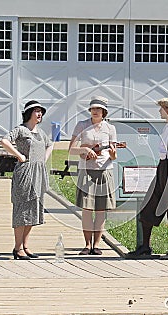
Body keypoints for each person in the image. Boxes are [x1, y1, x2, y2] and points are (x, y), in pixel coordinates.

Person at [127, 97, 168, 259]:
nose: (159, 111)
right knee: (149, 204)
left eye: (161, 108)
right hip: (163, 167)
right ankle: (145, 246)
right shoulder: (167, 128)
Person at [1, 100, 53, 260]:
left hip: (38, 173)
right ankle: (17, 248)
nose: (39, 114)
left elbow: (50, 144)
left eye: (41, 111)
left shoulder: (41, 132)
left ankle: (25, 245)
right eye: (36, 111)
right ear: (29, 113)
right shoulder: (21, 130)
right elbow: (4, 140)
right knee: (22, 209)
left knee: (33, 209)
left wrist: (43, 159)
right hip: (25, 172)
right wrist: (19, 155)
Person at [69, 96, 117, 255]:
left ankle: (97, 245)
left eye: (98, 109)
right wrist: (85, 150)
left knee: (101, 210)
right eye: (93, 108)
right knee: (87, 210)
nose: (95, 111)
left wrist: (112, 153)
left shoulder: (110, 129)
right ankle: (87, 244)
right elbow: (71, 149)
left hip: (105, 171)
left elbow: (113, 155)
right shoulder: (82, 125)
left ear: (104, 111)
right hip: (86, 172)